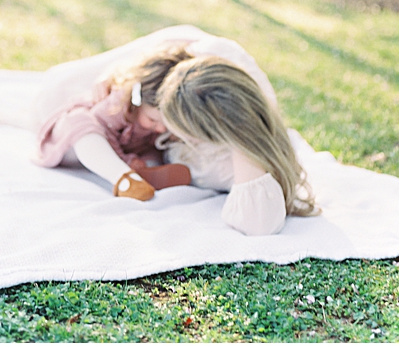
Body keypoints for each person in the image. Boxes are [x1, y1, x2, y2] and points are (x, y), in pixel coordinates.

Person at [29, 25, 317, 236]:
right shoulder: (187, 69)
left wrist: (241, 137)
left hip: (193, 139)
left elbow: (259, 224)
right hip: (113, 116)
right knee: (72, 117)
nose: (165, 129)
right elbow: (175, 41)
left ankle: (134, 172)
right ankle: (127, 174)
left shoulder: (231, 146)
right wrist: (116, 74)